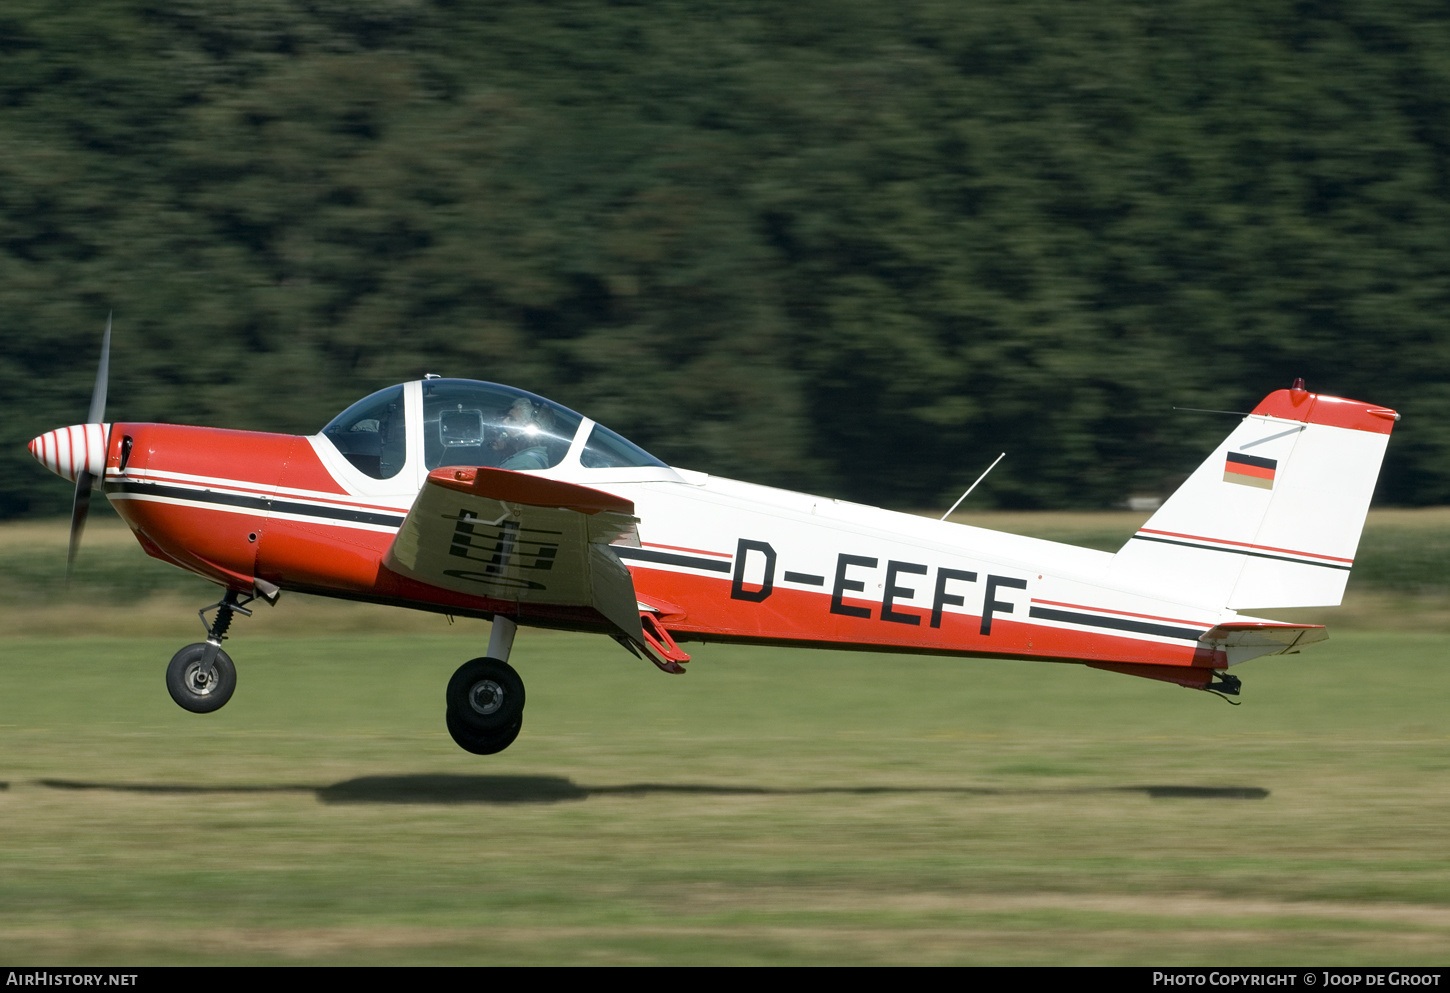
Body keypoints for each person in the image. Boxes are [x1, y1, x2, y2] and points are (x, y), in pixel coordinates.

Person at [493, 398, 552, 470]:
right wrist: (506, 451)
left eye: (512, 419)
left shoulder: (524, 464)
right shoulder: (526, 457)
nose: (504, 421)